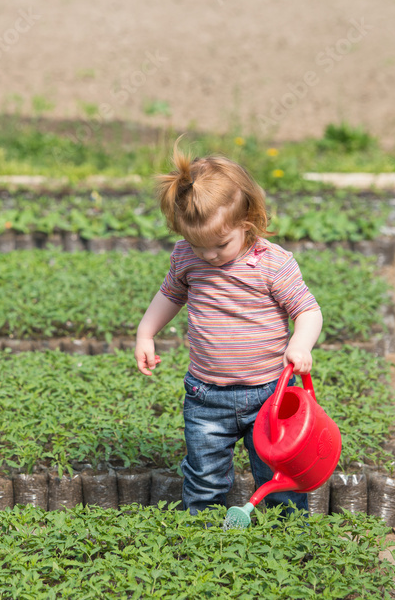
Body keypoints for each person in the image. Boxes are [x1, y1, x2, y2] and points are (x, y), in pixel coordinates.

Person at [135, 146, 322, 516]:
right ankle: (203, 541)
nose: (209, 256)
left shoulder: (272, 264)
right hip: (206, 396)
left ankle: (288, 541)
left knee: (277, 477)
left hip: (271, 393)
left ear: (247, 223)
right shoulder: (187, 257)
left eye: (220, 245)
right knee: (204, 478)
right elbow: (170, 294)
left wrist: (300, 347)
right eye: (197, 245)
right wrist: (146, 332)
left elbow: (308, 310)